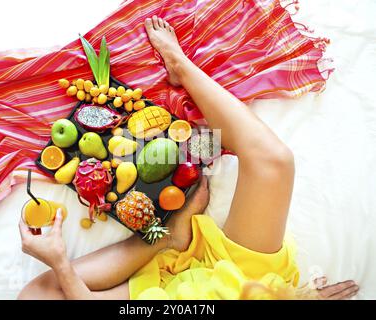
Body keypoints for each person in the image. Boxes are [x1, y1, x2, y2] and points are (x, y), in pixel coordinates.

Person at [18, 16, 359, 300]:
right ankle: (168, 237)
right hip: (242, 289)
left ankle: (166, 239)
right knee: (275, 162)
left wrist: (59, 262)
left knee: (34, 296)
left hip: (163, 294)